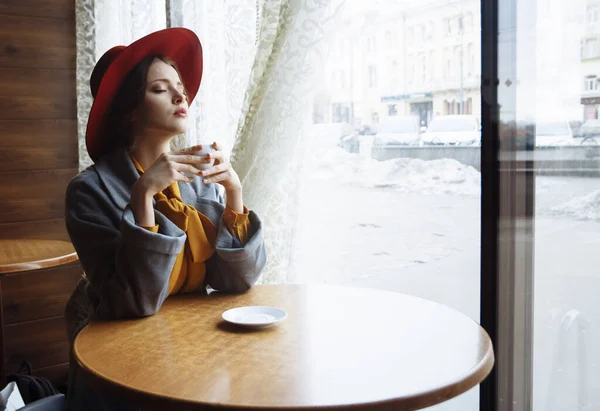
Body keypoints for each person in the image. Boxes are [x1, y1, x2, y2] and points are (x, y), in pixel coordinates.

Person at [63, 28, 266, 410]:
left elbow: (235, 282)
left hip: (194, 348)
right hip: (120, 364)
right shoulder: (89, 192)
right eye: (160, 89)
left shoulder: (198, 180)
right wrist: (142, 194)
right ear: (129, 110)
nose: (180, 96)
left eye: (180, 88)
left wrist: (235, 194)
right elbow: (133, 304)